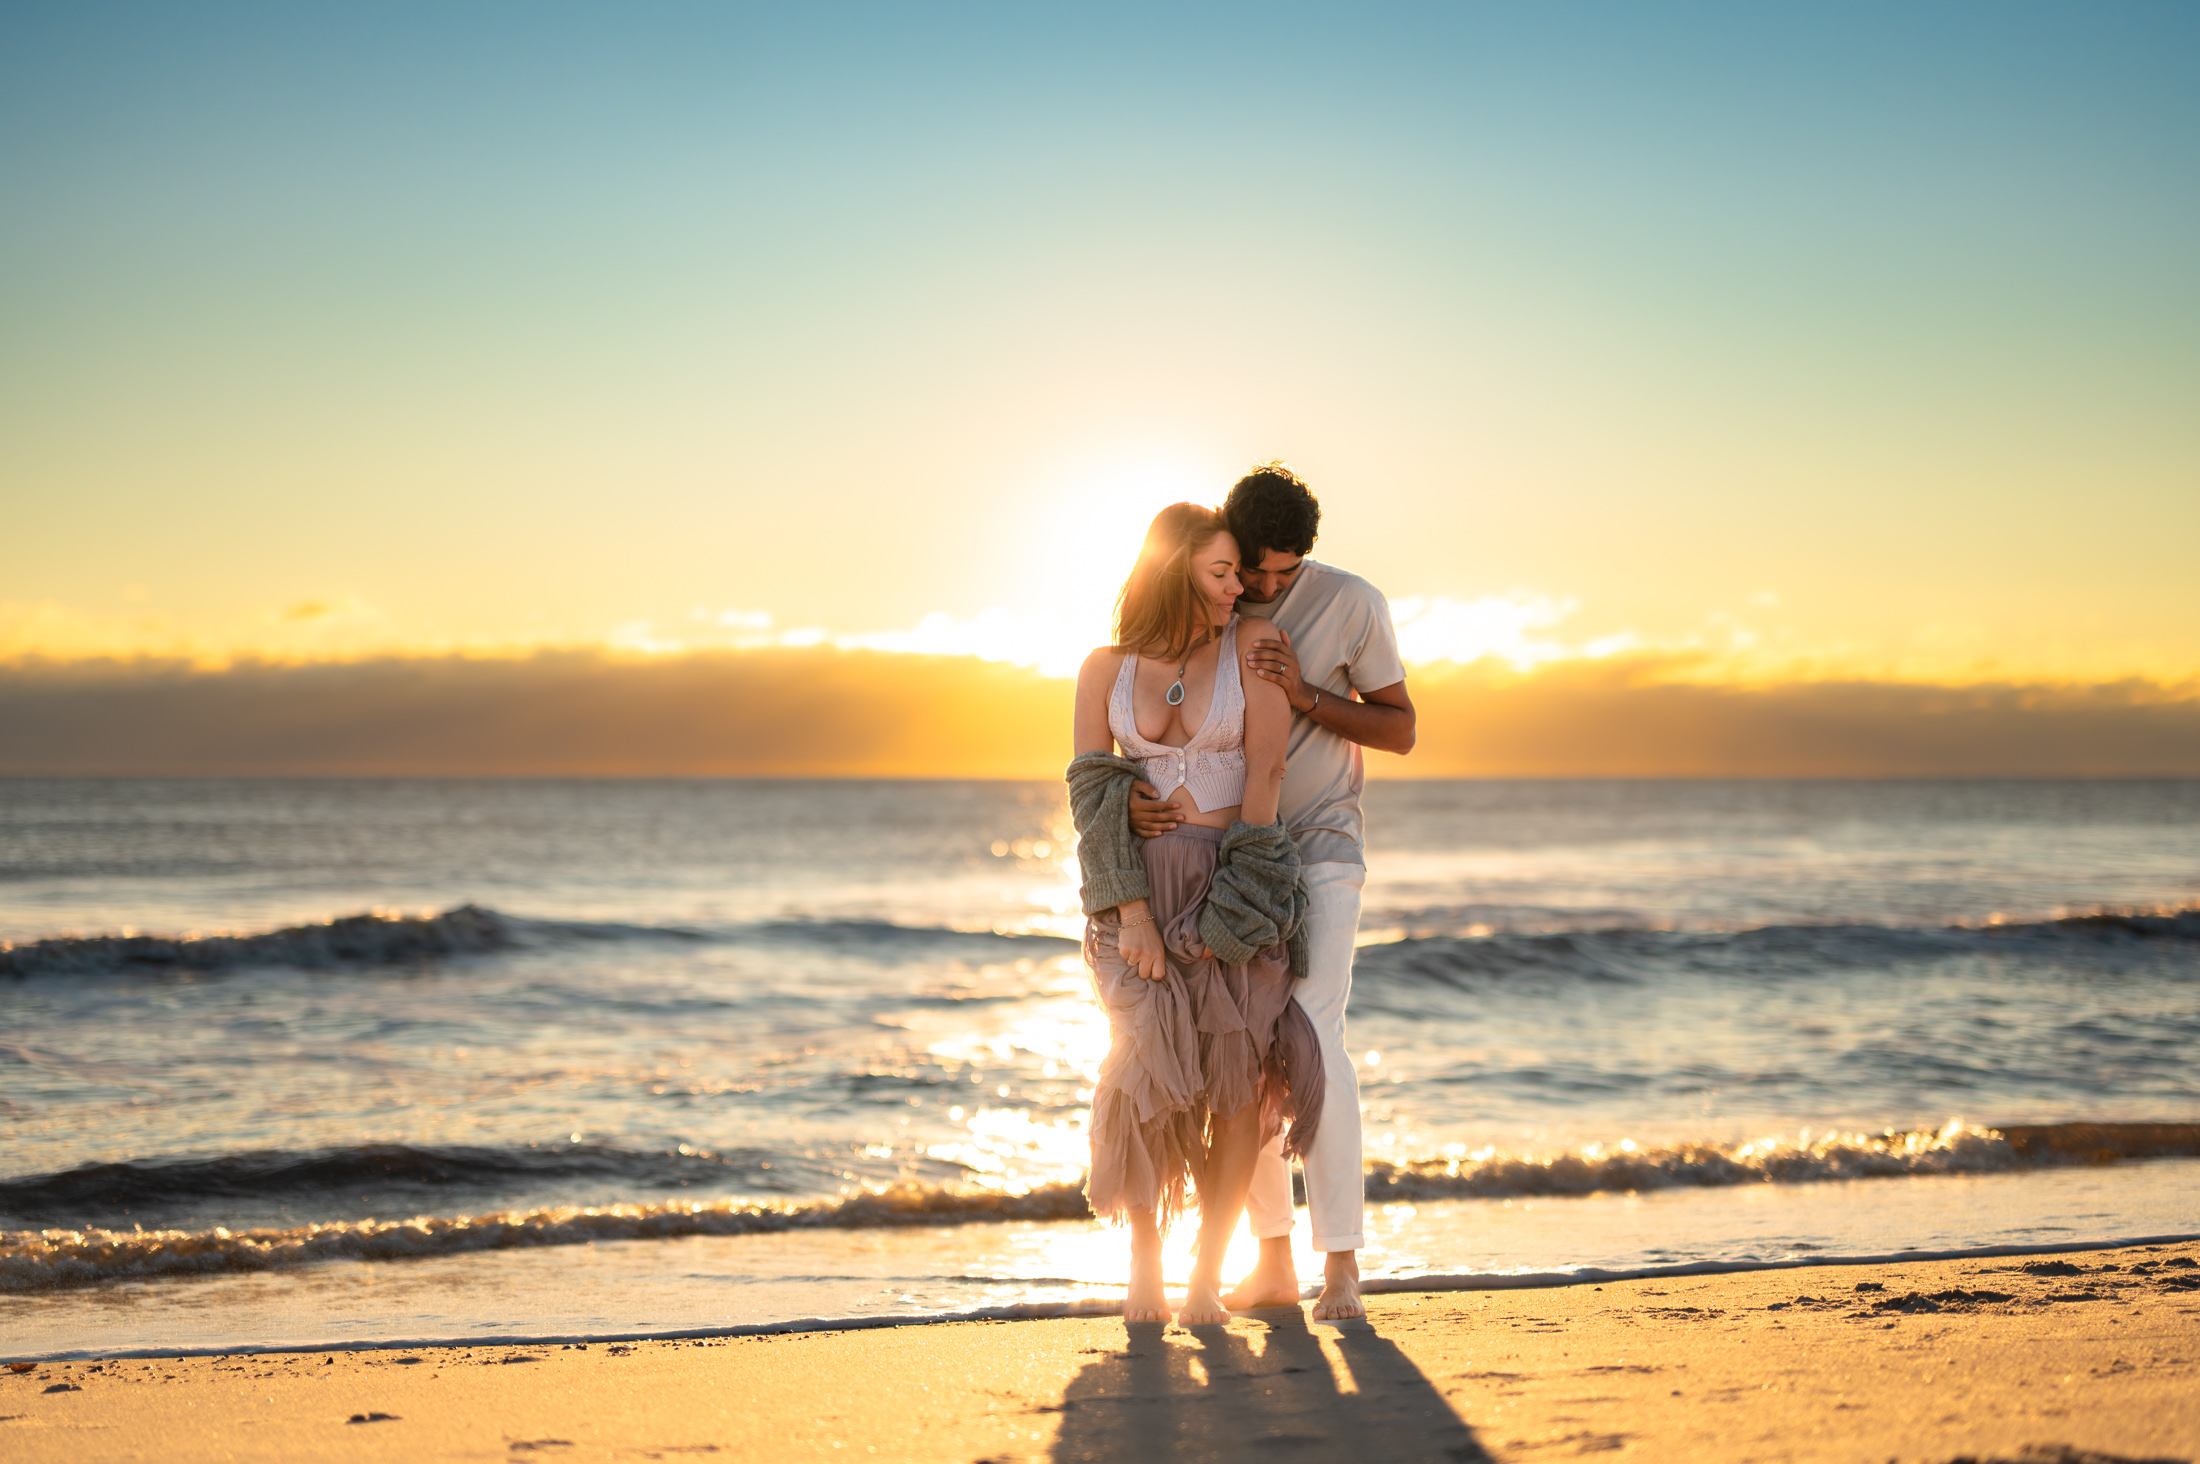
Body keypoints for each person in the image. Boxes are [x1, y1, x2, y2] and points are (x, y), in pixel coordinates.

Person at [1129, 463, 1415, 1321]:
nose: (1265, 587)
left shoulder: (1354, 602)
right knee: (1243, 1054)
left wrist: (1305, 695)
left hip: (1321, 848)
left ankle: (1344, 1270)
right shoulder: (1209, 603)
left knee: (1312, 1033)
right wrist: (1130, 797)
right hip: (1228, 859)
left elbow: (1400, 728)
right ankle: (1275, 1264)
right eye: (1255, 569)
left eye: (1284, 573)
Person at [1067, 503, 1324, 1325]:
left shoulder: (1251, 645)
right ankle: (1145, 1268)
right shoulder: (1103, 668)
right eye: (1221, 573)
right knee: (1142, 1074)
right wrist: (1132, 914)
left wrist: (1235, 912)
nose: (1238, 588)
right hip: (1138, 896)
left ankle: (1205, 1281)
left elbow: (1268, 775)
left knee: (1235, 1084)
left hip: (1232, 881)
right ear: (1175, 569)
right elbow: (1089, 788)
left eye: (1238, 574)